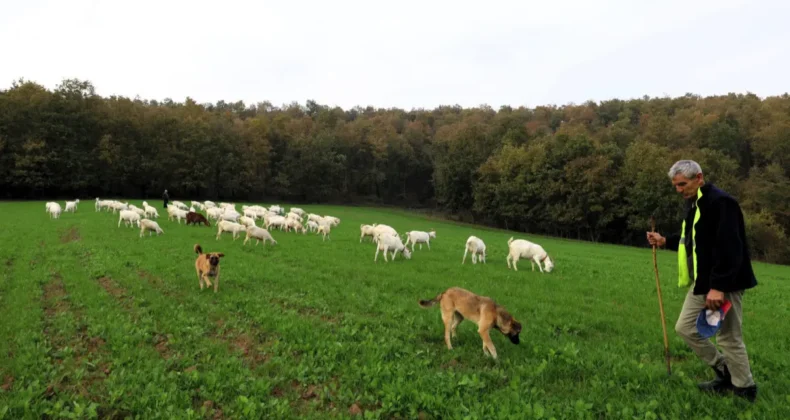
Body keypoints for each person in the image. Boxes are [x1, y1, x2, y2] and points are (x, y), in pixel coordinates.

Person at [647, 160, 758, 402]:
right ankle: (725, 370)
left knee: (728, 337)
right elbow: (695, 239)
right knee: (685, 328)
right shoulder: (695, 203)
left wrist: (718, 288)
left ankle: (744, 389)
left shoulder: (721, 203)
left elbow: (730, 248)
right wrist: (666, 240)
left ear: (699, 177)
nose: (678, 190)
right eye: (675, 185)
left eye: (682, 184)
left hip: (725, 283)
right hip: (704, 282)